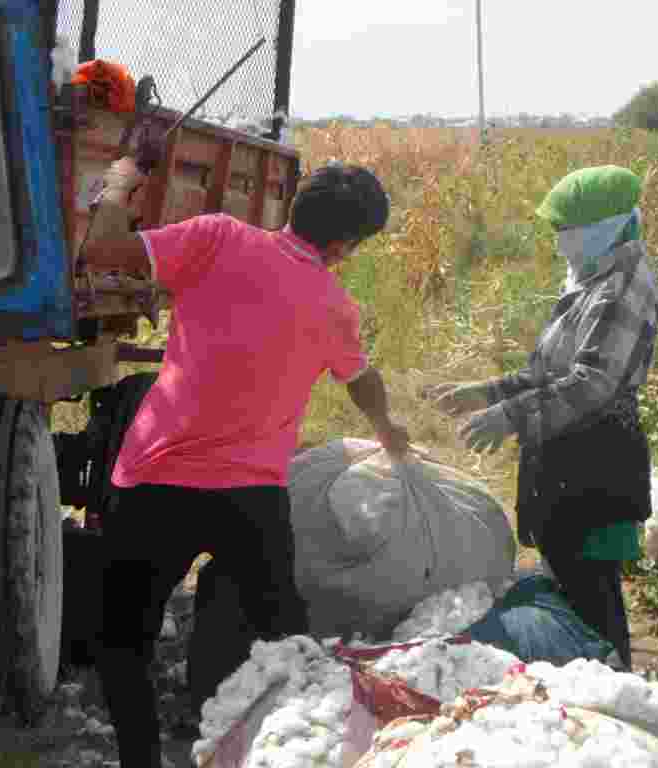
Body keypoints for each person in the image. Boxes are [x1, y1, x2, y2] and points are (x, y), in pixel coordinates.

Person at [79, 157, 410, 768]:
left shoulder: (216, 237)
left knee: (124, 644)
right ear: (343, 244)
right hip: (251, 503)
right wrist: (388, 430)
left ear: (295, 208)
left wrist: (118, 187)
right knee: (289, 648)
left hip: (155, 481)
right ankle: (296, 749)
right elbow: (360, 379)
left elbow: (104, 253)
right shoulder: (334, 304)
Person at [429, 165, 658, 671]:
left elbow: (593, 383)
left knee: (591, 594)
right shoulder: (591, 278)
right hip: (564, 459)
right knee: (569, 581)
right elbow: (547, 372)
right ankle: (588, 679)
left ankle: (611, 695)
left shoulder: (622, 287)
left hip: (597, 463)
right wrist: (484, 392)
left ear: (601, 227)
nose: (560, 244)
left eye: (566, 232)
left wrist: (507, 417)